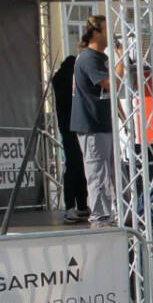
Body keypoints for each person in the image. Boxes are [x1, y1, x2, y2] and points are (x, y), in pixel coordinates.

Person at [70, 15, 117, 229]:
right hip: (91, 125)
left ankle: (113, 213)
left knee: (111, 171)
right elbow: (111, 84)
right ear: (97, 32)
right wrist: (121, 58)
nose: (112, 34)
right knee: (98, 173)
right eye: (108, 30)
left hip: (103, 123)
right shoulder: (88, 58)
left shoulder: (100, 57)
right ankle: (100, 218)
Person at [51, 55, 89, 224]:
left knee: (78, 166)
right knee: (75, 166)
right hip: (72, 128)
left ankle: (80, 205)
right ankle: (72, 207)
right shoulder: (64, 81)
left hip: (71, 128)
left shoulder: (61, 79)